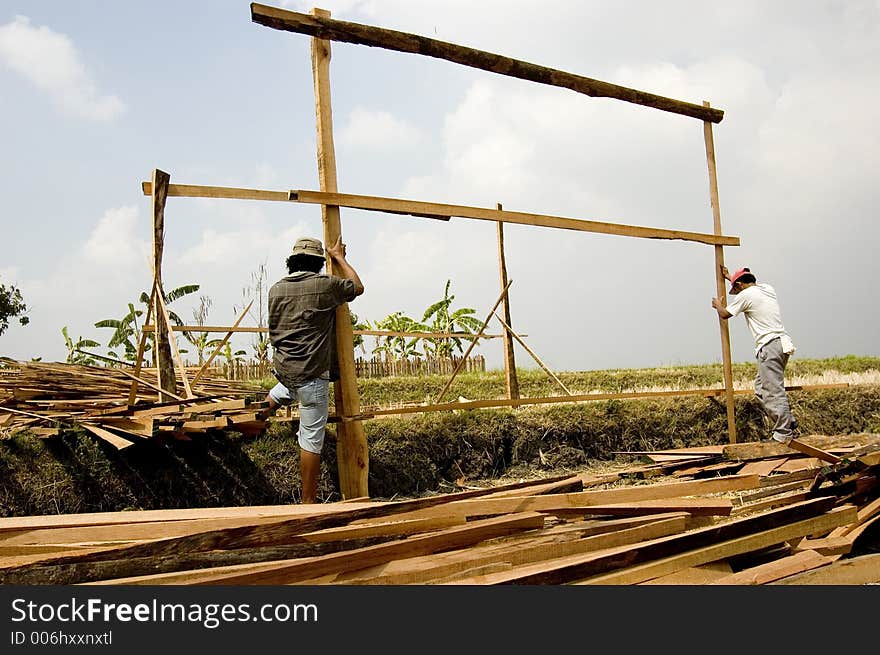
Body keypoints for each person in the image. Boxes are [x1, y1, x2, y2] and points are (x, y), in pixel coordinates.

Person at [263, 235, 364, 503]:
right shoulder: (324, 286)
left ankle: (255, 421)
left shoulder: (275, 289)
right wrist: (339, 257)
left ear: (292, 261)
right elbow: (357, 287)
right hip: (312, 377)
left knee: (282, 392)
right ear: (319, 263)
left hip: (286, 370)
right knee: (310, 440)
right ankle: (308, 502)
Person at [711, 265, 798, 444]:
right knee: (761, 388)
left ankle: (783, 434)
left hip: (769, 347)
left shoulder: (746, 295)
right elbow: (746, 285)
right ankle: (788, 422)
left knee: (773, 391)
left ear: (741, 285)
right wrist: (730, 277)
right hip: (781, 344)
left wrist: (718, 305)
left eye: (735, 288)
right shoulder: (767, 289)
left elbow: (725, 314)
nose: (735, 292)